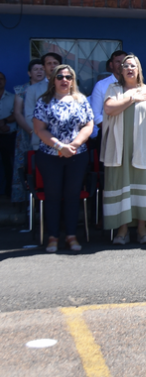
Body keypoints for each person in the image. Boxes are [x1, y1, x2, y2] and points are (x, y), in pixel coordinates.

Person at [100, 55, 146, 244]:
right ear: (120, 70)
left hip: (144, 146)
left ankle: (143, 228)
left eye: (133, 66)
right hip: (119, 147)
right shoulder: (114, 89)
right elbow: (109, 109)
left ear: (139, 70)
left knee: (141, 182)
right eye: (126, 65)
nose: (129, 68)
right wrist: (132, 98)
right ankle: (122, 230)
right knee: (122, 183)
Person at [32, 65, 94, 252]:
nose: (64, 80)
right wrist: (60, 147)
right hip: (50, 156)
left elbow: (88, 125)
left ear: (73, 80)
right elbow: (39, 129)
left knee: (72, 196)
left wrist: (73, 146)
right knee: (53, 196)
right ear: (53, 80)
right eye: (60, 76)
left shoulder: (81, 100)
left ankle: (71, 236)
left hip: (76, 155)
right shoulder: (44, 101)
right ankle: (52, 237)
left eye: (68, 77)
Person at [12, 53, 62, 206]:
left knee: (61, 184)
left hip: (64, 144)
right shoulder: (32, 89)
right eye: (48, 63)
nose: (52, 66)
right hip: (40, 141)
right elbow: (28, 115)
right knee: (42, 182)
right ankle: (41, 216)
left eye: (55, 63)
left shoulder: (70, 86)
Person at [88, 50, 127, 144]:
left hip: (131, 135)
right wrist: (113, 129)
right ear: (111, 64)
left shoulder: (136, 86)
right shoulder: (101, 85)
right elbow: (96, 115)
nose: (121, 65)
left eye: (124, 62)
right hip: (108, 134)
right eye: (118, 62)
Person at [0, 72, 16, 196]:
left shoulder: (12, 97)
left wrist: (4, 121)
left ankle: (9, 193)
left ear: (5, 81)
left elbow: (16, 114)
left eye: (1, 79)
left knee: (9, 165)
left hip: (9, 137)